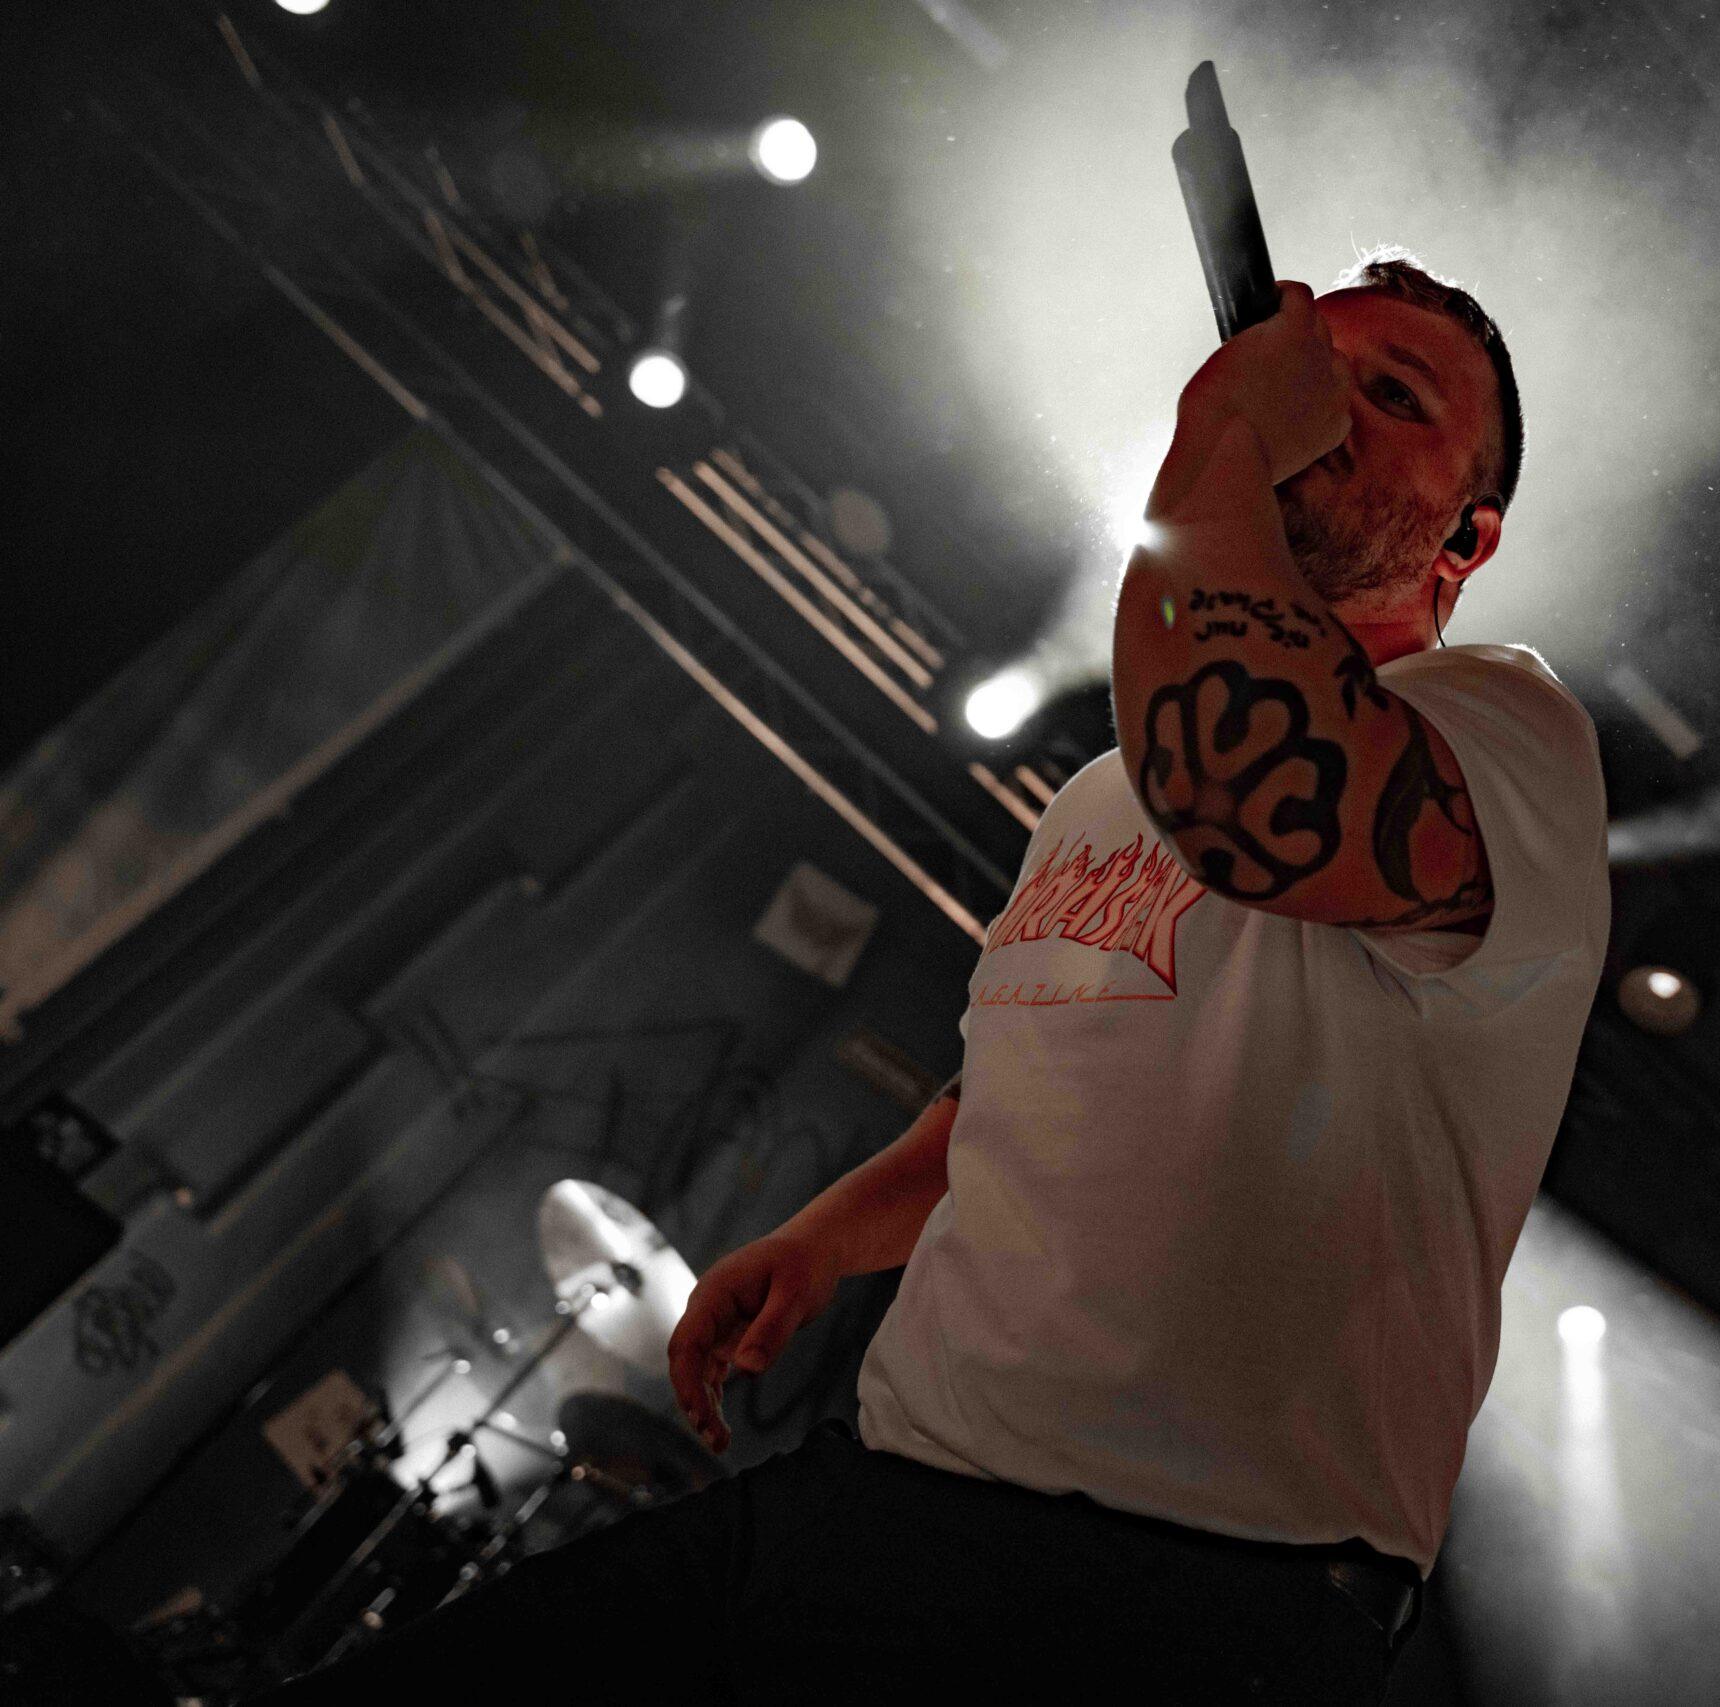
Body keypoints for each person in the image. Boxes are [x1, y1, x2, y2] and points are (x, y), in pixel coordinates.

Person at [252, 250, 1608, 1704]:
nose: (1325, 407)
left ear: (1466, 538)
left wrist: (1224, 429)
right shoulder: (1099, 795)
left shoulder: (1500, 729)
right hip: (889, 1490)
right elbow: (1027, 1081)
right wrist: (826, 1236)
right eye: (1311, 373)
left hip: (1182, 1595)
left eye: (1391, 396)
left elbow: (1247, 786)